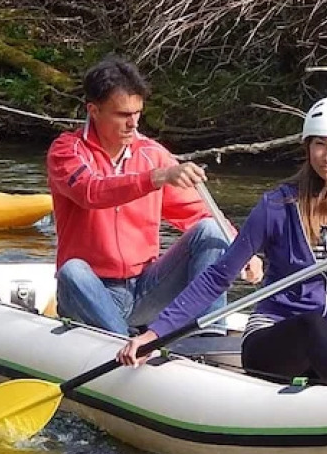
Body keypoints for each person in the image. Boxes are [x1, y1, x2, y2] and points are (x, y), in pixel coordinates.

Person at [117, 95, 327, 386]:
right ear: (308, 147)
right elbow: (218, 277)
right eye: (319, 144)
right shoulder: (277, 205)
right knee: (311, 324)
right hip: (270, 341)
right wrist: (154, 334)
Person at [47, 56, 261, 335]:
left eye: (137, 113)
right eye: (123, 115)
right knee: (72, 271)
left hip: (145, 289)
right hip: (92, 289)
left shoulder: (152, 153)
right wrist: (155, 178)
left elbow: (197, 212)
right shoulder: (66, 151)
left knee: (210, 230)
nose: (133, 124)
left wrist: (243, 250)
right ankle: (127, 343)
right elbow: (91, 191)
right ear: (94, 111)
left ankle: (209, 336)